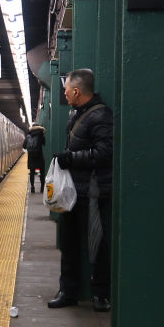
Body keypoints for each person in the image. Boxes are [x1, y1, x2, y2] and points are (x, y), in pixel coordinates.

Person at [47, 68, 113, 312]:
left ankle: (101, 295)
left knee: (96, 243)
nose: (64, 95)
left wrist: (71, 158)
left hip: (93, 193)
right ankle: (68, 291)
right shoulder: (76, 115)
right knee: (69, 243)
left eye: (66, 91)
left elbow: (105, 153)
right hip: (73, 192)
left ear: (77, 91)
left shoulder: (101, 116)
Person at [22, 123, 46, 193]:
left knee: (32, 172)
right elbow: (44, 143)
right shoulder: (41, 135)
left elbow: (24, 146)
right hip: (39, 157)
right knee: (42, 172)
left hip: (31, 157)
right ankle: (42, 187)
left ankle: (32, 187)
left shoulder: (28, 136)